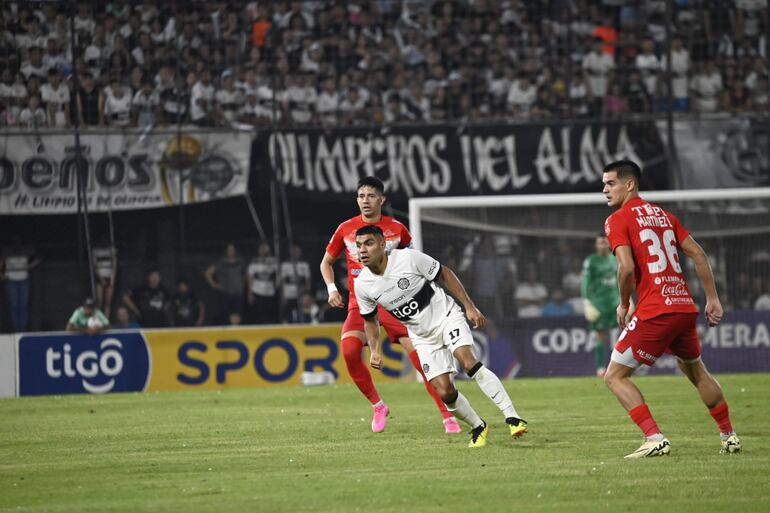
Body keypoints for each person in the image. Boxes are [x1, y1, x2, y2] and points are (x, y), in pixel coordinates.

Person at [601, 159, 741, 458]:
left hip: (656, 309)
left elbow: (625, 268)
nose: (605, 190)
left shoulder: (617, 219)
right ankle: (728, 435)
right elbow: (699, 255)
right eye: (604, 184)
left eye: (610, 183)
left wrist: (624, 303)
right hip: (683, 307)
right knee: (695, 370)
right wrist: (713, 299)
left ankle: (654, 437)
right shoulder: (665, 215)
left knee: (614, 375)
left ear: (630, 184)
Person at [354, 225, 528, 448]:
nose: (362, 250)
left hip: (446, 317)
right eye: (359, 246)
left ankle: (512, 417)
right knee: (445, 391)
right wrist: (375, 349)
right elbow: (370, 319)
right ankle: (478, 426)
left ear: (382, 244)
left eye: (368, 243)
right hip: (422, 336)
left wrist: (469, 307)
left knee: (468, 361)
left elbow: (445, 273)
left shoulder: (408, 258)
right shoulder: (362, 285)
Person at [320, 176, 461, 434]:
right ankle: (378, 405)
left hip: (396, 303)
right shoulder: (345, 229)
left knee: (421, 360)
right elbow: (325, 262)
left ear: (381, 200)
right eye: (361, 196)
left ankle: (447, 415)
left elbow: (413, 260)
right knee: (350, 351)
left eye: (371, 196)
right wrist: (331, 289)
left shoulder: (397, 229)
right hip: (360, 303)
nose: (365, 201)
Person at [581, 235, 619, 377]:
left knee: (624, 334)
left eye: (604, 242)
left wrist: (627, 299)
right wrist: (586, 302)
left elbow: (623, 278)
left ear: (609, 243)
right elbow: (585, 282)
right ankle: (601, 368)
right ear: (596, 245)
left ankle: (623, 367)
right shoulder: (591, 261)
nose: (602, 245)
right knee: (600, 335)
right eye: (599, 243)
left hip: (616, 302)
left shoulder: (616, 258)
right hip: (599, 304)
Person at [1, 242, 41, 332]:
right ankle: (16, 328)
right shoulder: (7, 252)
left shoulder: (26, 251)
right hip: (11, 280)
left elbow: (38, 259)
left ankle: (22, 329)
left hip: (24, 279)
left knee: (23, 306)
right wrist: (2, 274)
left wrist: (28, 267)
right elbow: (2, 262)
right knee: (14, 306)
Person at [205, 243, 244, 325]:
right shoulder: (221, 262)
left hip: (238, 293)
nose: (231, 251)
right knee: (226, 316)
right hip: (225, 293)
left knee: (238, 316)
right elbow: (208, 273)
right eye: (229, 250)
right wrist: (214, 284)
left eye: (232, 249)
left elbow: (246, 274)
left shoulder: (240, 261)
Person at [92, 242, 117, 319]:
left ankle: (106, 321)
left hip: (109, 277)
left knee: (107, 302)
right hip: (100, 277)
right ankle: (98, 320)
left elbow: (114, 265)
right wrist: (101, 278)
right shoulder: (95, 250)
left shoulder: (111, 250)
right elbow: (94, 266)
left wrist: (112, 279)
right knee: (99, 301)